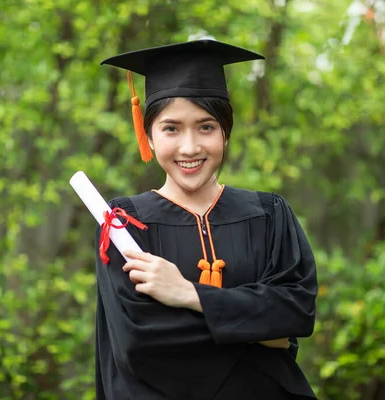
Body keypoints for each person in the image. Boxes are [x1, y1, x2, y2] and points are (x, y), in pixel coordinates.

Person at [94, 39, 318, 400]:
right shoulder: (125, 224)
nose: (189, 147)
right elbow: (139, 341)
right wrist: (258, 330)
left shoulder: (269, 214)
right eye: (171, 128)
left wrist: (188, 295)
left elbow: (296, 312)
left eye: (206, 127)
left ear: (225, 132)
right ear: (148, 134)